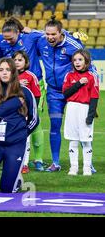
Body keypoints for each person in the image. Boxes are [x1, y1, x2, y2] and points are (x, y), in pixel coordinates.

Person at [36, 16, 90, 172]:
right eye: (48, 34)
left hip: (74, 91)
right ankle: (56, 162)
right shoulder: (41, 41)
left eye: (54, 34)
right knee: (55, 126)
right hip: (53, 91)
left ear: (61, 33)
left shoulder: (73, 44)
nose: (50, 37)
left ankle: (88, 163)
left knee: (81, 127)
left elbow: (87, 64)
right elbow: (33, 35)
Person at [0, 58, 39, 193]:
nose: (4, 73)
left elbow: (35, 120)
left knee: (7, 189)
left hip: (16, 144)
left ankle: (15, 176)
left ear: (13, 72)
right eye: (1, 70)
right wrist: (14, 103)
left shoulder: (26, 92)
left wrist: (22, 135)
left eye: (8, 70)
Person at [62, 49, 99, 176]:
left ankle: (87, 168)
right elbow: (66, 94)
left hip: (85, 109)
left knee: (86, 140)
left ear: (86, 61)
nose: (77, 62)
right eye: (75, 60)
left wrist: (91, 115)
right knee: (73, 140)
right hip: (72, 108)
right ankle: (74, 167)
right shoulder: (69, 76)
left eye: (80, 60)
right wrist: (78, 83)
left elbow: (94, 97)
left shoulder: (92, 76)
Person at [12, 51, 44, 173]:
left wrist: (31, 112)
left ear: (26, 62)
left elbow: (36, 95)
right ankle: (12, 162)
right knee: (11, 138)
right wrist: (16, 84)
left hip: (25, 114)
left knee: (26, 138)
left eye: (20, 60)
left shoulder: (31, 76)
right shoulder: (9, 76)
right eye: (15, 60)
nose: (17, 62)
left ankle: (24, 164)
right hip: (11, 113)